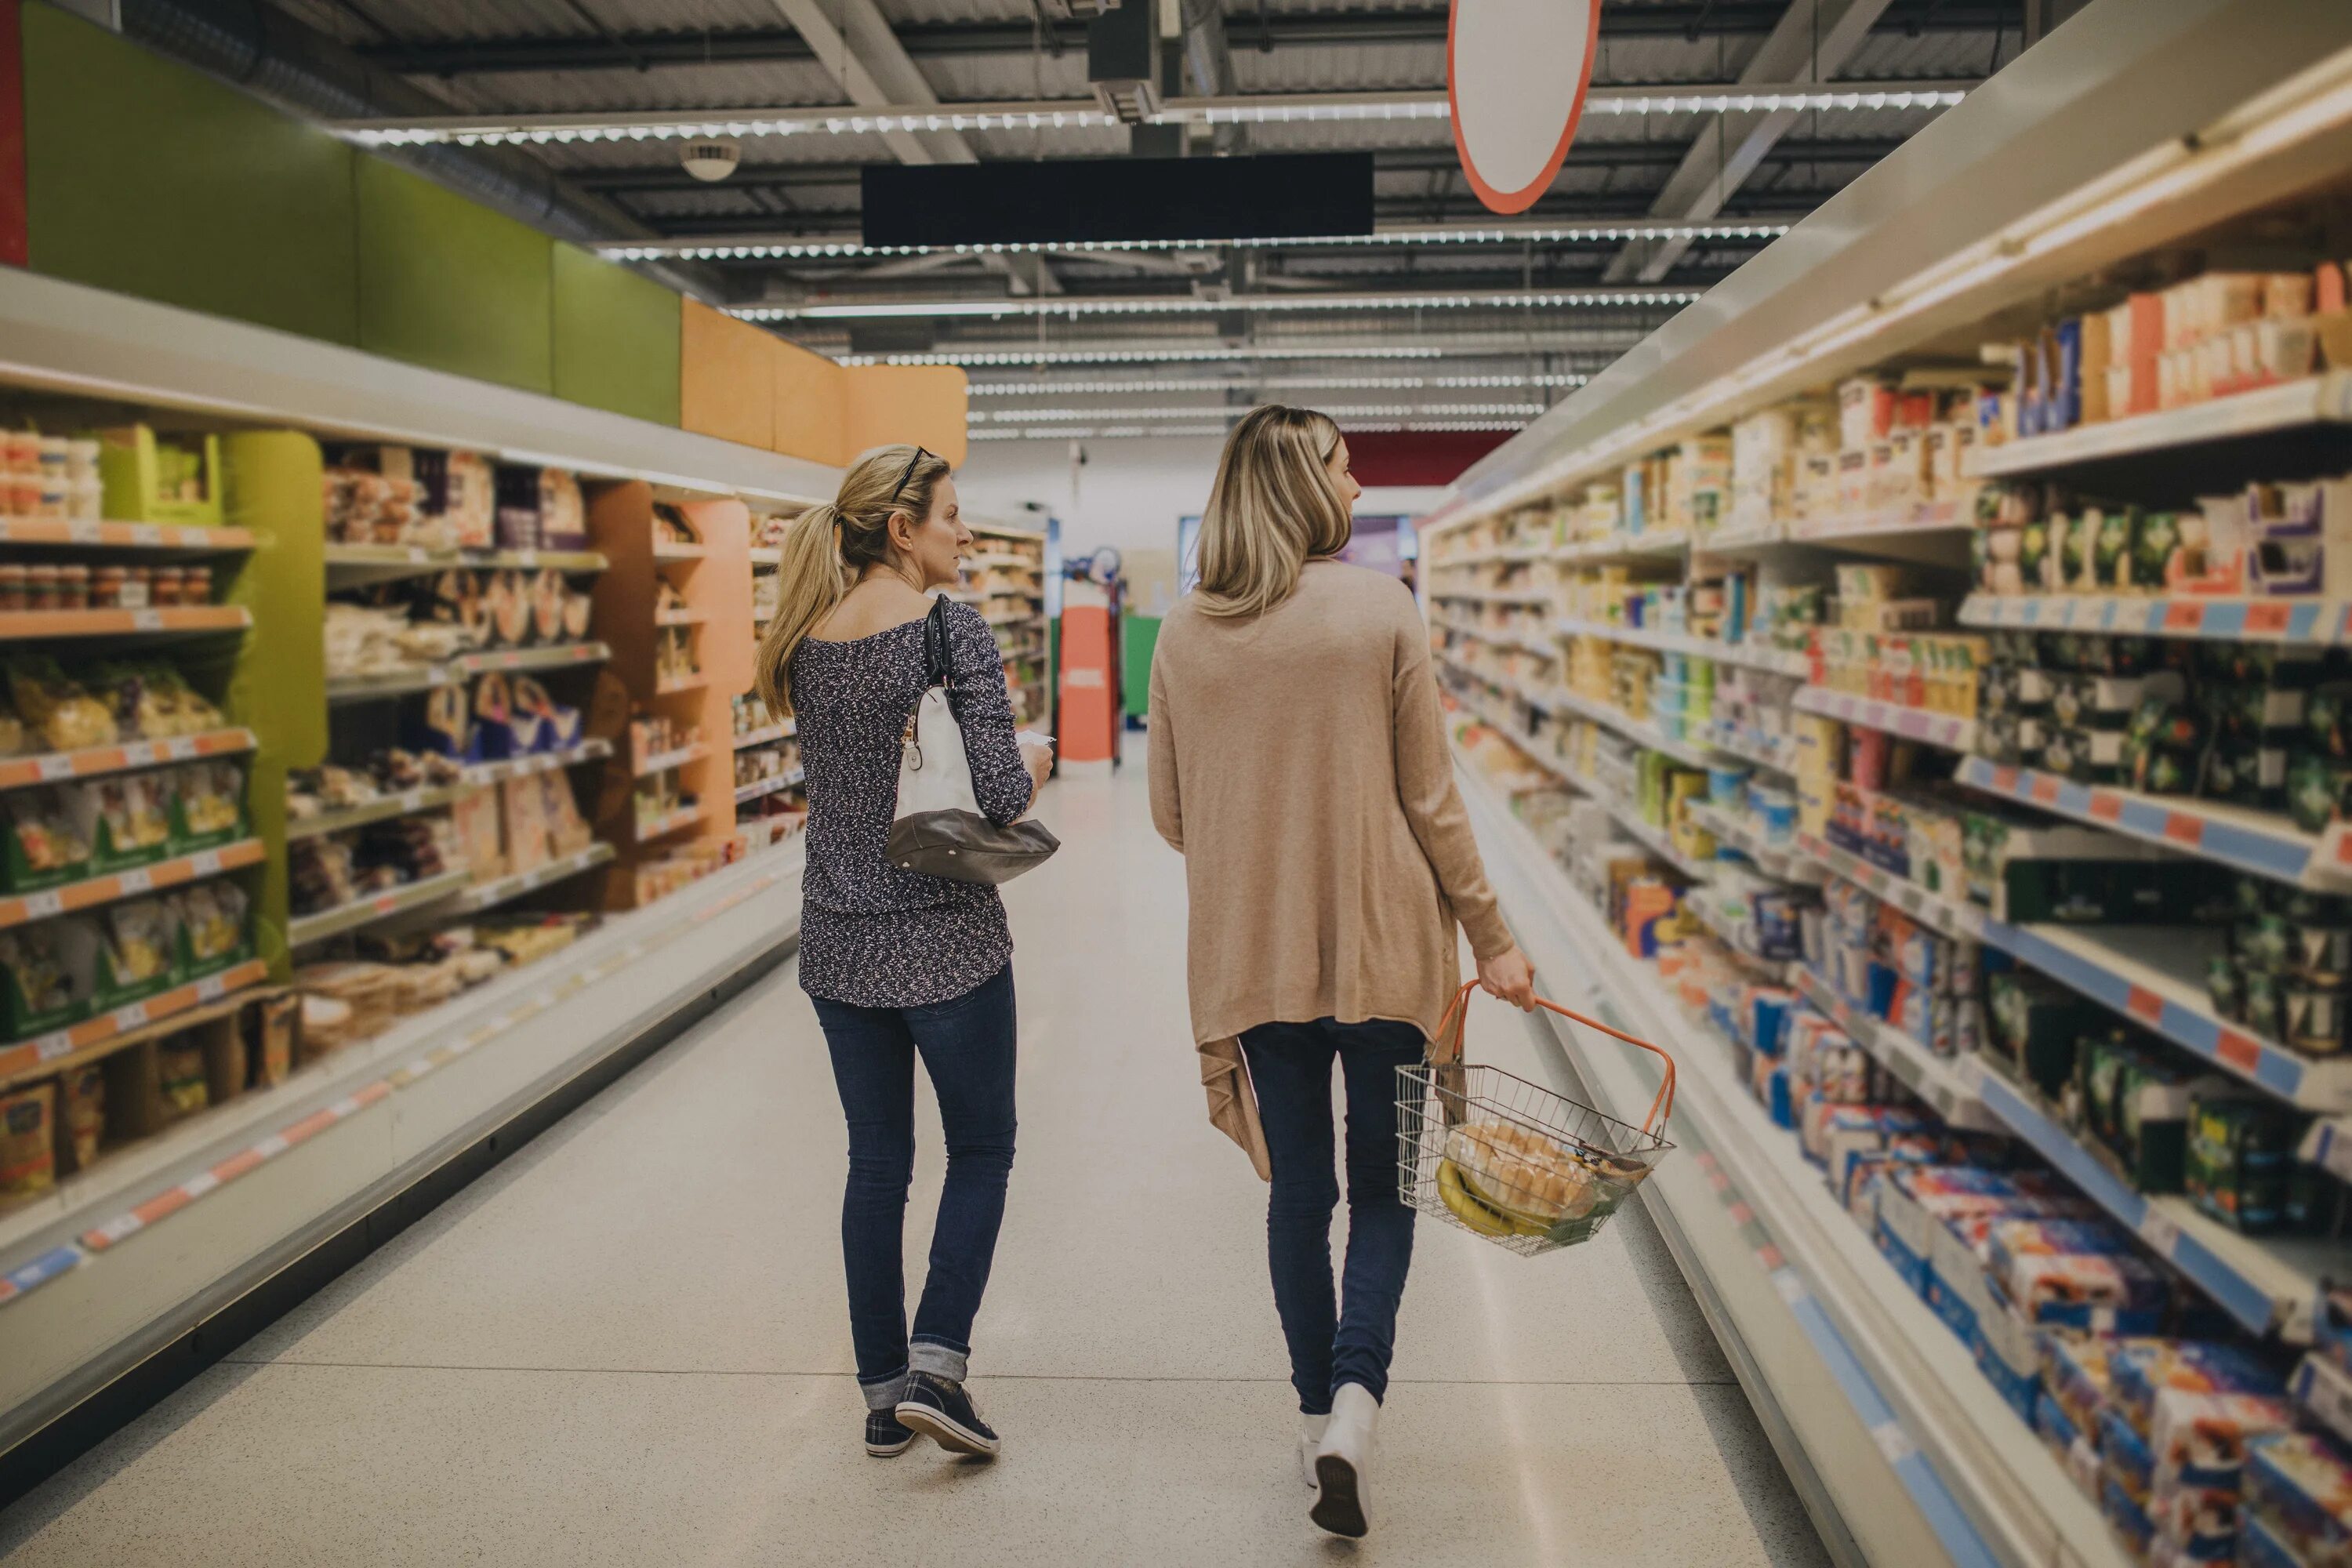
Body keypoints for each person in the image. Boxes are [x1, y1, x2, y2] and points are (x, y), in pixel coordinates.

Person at [1146, 405, 1536, 1540]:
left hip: (1255, 953)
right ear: (1300, 488)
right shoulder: (1381, 610)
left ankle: (1313, 1407)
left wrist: (1262, 825)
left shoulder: (1182, 632)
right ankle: (1356, 1409)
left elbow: (1174, 818)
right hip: (1388, 950)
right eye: (1343, 467)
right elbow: (1431, 803)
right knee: (1386, 1189)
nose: (1358, 486)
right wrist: (1495, 936)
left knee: (1300, 1191)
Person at [754, 443, 1055, 1463]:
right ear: (901, 528)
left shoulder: (805, 640)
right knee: (982, 1149)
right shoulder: (947, 627)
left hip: (837, 943)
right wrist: (1043, 759)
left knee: (876, 1161)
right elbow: (1001, 796)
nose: (966, 534)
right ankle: (939, 1368)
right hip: (946, 947)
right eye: (953, 516)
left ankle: (885, 1396)